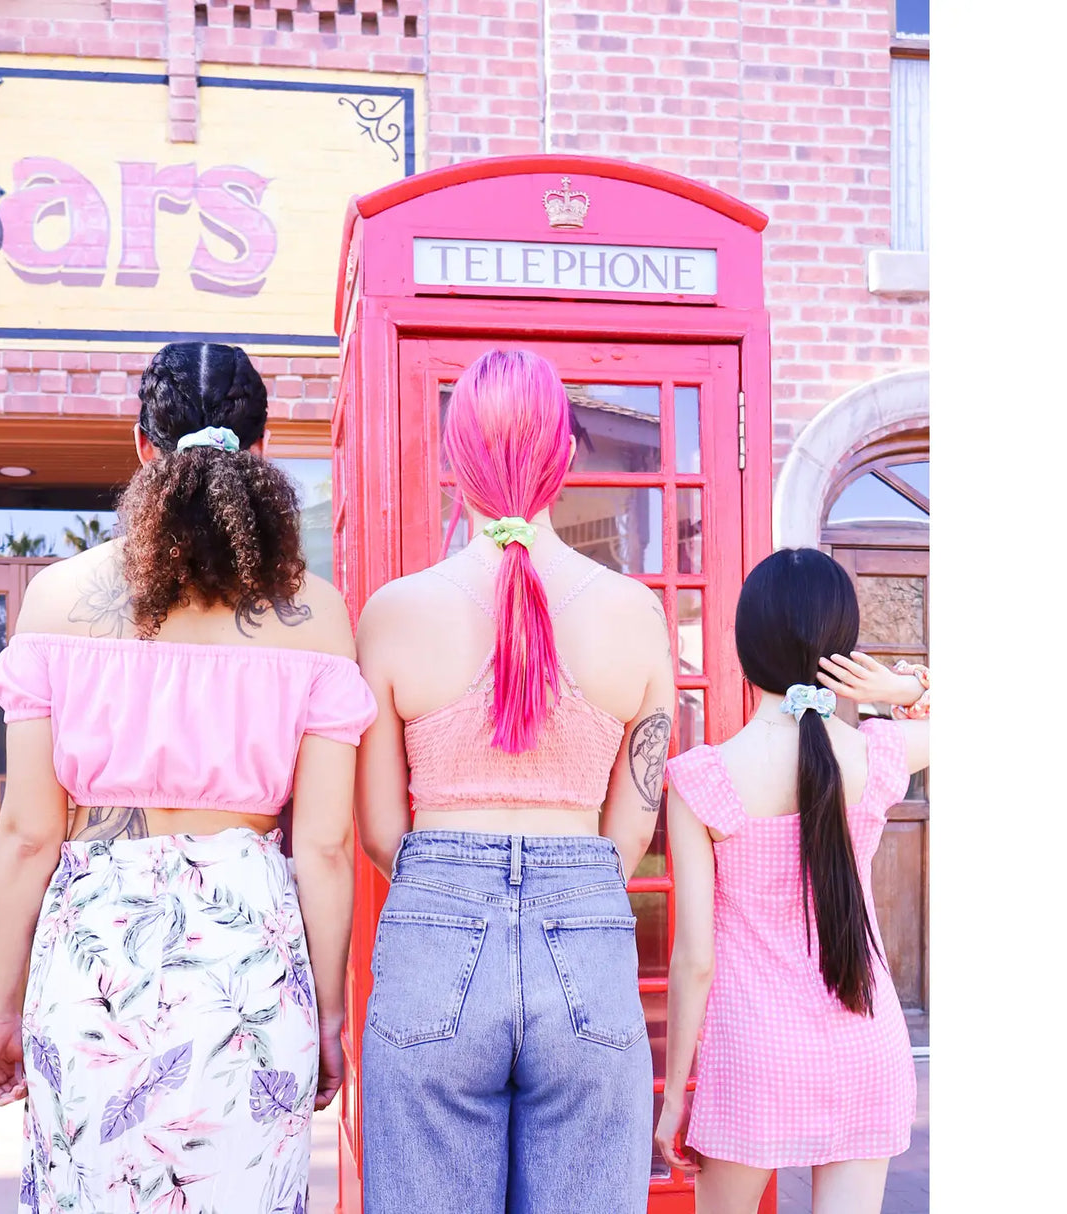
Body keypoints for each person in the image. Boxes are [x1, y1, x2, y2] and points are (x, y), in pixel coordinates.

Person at [0, 342, 375, 1214]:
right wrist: (329, 1014)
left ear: (142, 447)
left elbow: (27, 835)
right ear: (261, 452)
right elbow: (322, 846)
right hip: (249, 970)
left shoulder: (55, 602)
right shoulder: (316, 617)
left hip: (93, 968)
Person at [354, 348, 677, 1213]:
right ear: (564, 458)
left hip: (434, 925)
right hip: (587, 927)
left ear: (454, 460)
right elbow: (631, 831)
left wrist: (457, 884)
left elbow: (381, 831)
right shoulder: (637, 614)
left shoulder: (393, 612)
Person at [656, 547, 931, 1214]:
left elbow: (694, 961)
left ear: (746, 647)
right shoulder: (878, 753)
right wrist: (906, 690)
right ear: (842, 648)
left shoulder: (703, 778)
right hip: (866, 1040)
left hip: (754, 1053)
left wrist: (674, 1097)